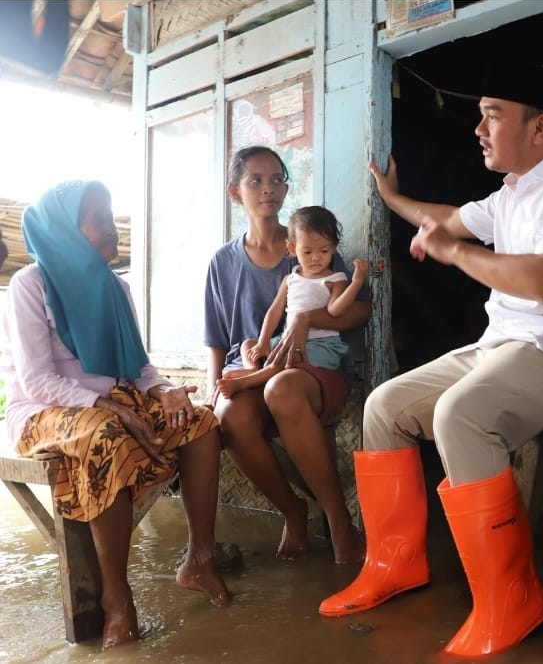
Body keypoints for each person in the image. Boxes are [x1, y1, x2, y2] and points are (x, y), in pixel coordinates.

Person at [319, 62, 543, 657]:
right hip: (506, 344)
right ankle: (394, 563)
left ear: (539, 127)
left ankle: (511, 598)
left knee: (461, 414)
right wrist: (391, 197)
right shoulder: (512, 192)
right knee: (384, 405)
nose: (479, 130)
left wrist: (455, 254)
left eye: (492, 116)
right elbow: (445, 219)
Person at [0, 181, 232, 650]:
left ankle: (200, 559)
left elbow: (140, 369)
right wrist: (110, 406)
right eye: (97, 220)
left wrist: (166, 391)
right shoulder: (31, 285)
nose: (110, 228)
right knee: (107, 434)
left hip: (113, 401)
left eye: (109, 217)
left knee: (201, 422)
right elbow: (37, 380)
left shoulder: (116, 287)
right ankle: (117, 598)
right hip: (43, 411)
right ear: (65, 229)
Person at [204, 146, 369, 564]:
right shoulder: (222, 262)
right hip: (249, 370)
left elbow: (360, 311)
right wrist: (212, 391)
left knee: (282, 389)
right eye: (256, 180)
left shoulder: (312, 242)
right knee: (231, 416)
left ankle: (338, 522)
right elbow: (216, 338)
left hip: (310, 368)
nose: (269, 189)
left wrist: (307, 320)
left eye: (277, 179)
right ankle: (293, 512)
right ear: (235, 191)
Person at [216, 205, 368, 398]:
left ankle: (246, 382)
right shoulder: (291, 279)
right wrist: (263, 342)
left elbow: (335, 310)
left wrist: (356, 283)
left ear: (333, 247)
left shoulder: (335, 279)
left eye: (324, 250)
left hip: (321, 345)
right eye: (307, 252)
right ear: (293, 249)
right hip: (286, 339)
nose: (316, 258)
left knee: (287, 359)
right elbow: (274, 311)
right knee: (248, 344)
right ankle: (253, 370)